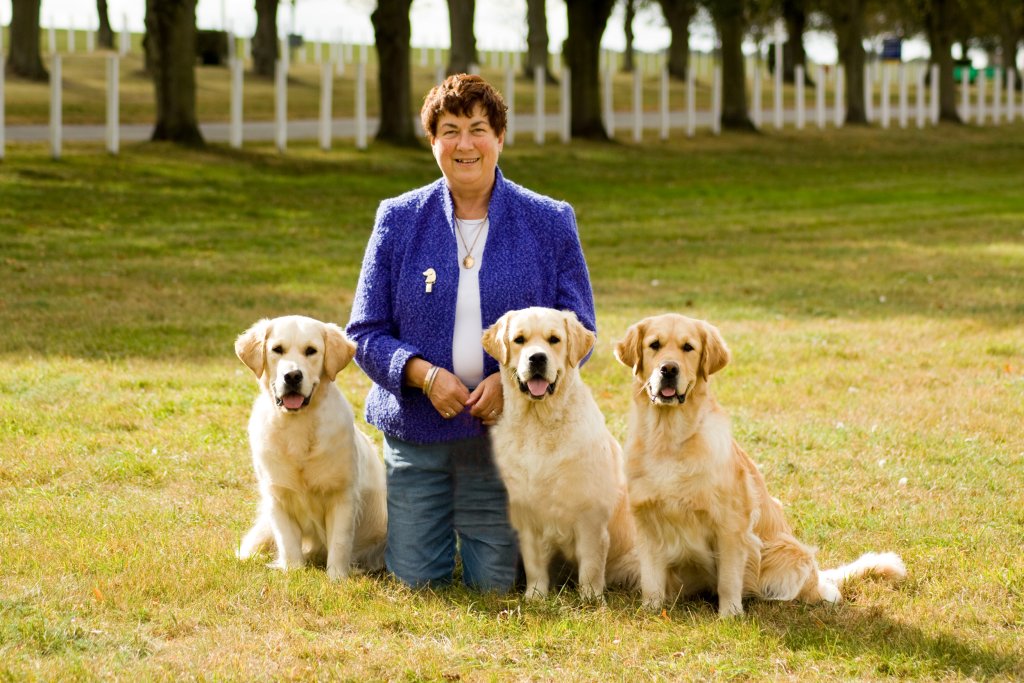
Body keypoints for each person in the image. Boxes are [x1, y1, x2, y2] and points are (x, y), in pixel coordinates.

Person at [346, 74, 596, 592]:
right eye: (449, 130)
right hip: (418, 431)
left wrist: (510, 384)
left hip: (508, 440)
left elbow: (579, 328)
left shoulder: (550, 221)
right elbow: (365, 333)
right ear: (432, 142)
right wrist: (423, 375)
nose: (465, 144)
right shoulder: (396, 220)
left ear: (500, 138)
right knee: (417, 580)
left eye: (478, 129)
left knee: (497, 584)